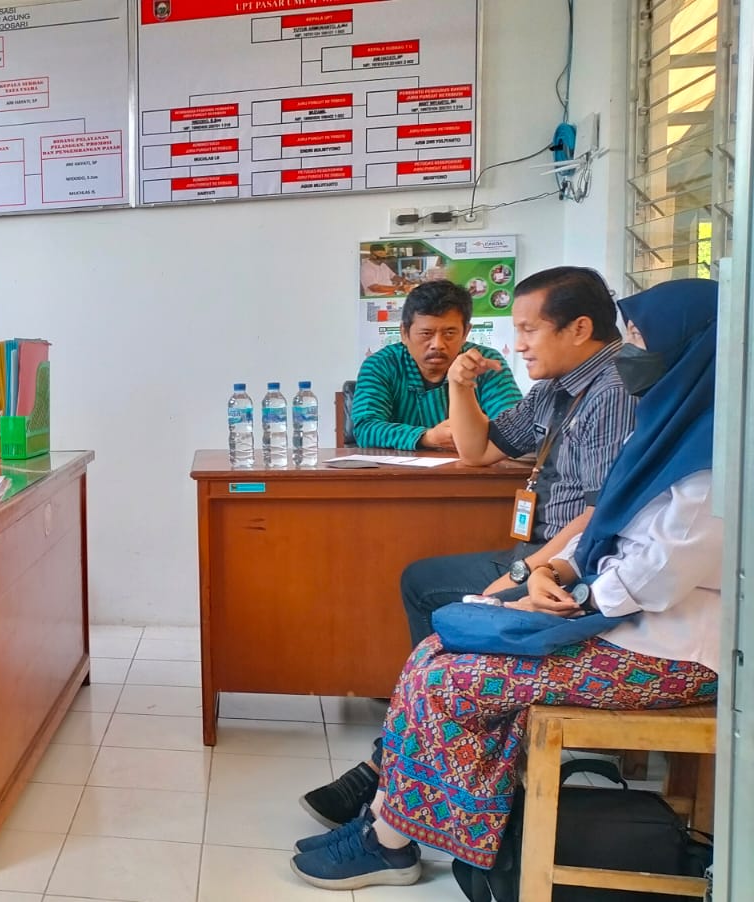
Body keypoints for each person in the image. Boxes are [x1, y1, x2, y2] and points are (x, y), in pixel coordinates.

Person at [288, 278, 721, 891]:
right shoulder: (665, 428)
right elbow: (604, 526)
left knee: (447, 674)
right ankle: (392, 819)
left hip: (666, 651)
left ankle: (393, 836)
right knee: (435, 649)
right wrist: (552, 572)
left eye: (640, 341)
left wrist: (553, 593)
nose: (629, 354)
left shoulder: (710, 465)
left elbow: (648, 575)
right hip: (610, 615)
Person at [300, 266, 636, 828]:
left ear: (579, 329)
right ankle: (416, 751)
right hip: (546, 553)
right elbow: (479, 449)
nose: (519, 344)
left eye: (529, 329)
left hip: (570, 568)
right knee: (423, 583)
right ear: (405, 333)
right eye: (516, 329)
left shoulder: (613, 391)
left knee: (448, 623)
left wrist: (528, 570)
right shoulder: (557, 386)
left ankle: (397, 767)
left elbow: (602, 512)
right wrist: (460, 387)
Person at [349, 280, 522, 450]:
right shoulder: (381, 365)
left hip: (473, 466)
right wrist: (427, 437)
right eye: (426, 333)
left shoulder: (485, 362)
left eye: (449, 333)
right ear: (404, 333)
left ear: (465, 333)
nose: (437, 344)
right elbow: (365, 428)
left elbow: (516, 426)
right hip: (396, 468)